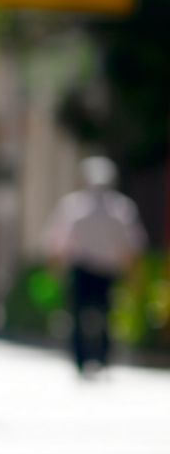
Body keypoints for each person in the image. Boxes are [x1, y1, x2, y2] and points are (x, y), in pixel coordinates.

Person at [45, 156, 148, 376]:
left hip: (82, 269)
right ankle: (101, 358)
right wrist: (133, 274)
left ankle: (81, 359)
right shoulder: (121, 208)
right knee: (105, 316)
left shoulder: (74, 206)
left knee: (78, 315)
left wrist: (55, 268)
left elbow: (59, 240)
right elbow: (131, 245)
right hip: (106, 271)